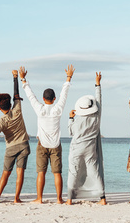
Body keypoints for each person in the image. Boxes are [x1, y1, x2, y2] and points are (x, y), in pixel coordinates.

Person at [21, 64, 74, 204]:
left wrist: (23, 80)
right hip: (56, 145)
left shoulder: (40, 109)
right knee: (57, 173)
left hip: (42, 144)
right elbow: (65, 94)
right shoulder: (58, 109)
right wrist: (68, 78)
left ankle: (39, 198)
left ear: (43, 99)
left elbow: (30, 96)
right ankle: (59, 199)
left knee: (41, 172)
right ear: (54, 98)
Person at [0, 70, 31, 203]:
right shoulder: (17, 109)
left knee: (6, 173)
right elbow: (16, 94)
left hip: (11, 148)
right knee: (20, 173)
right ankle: (16, 198)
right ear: (10, 104)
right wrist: (15, 77)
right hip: (24, 145)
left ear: (0, 108)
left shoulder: (2, 120)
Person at [66, 72, 106, 205]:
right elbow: (99, 99)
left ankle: (69, 199)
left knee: (74, 172)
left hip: (77, 148)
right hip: (90, 148)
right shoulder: (97, 117)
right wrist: (97, 84)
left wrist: (71, 118)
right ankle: (102, 198)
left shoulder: (77, 121)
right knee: (95, 172)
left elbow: (71, 131)